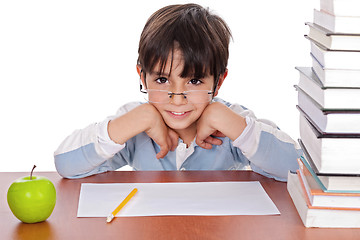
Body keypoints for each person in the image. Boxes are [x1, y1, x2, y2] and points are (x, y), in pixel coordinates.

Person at [54, 3, 302, 181]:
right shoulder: (134, 125)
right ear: (142, 76)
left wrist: (230, 122)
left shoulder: (231, 122)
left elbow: (298, 169)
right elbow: (66, 165)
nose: (177, 97)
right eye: (162, 79)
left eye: (194, 81)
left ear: (218, 81)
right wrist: (137, 120)